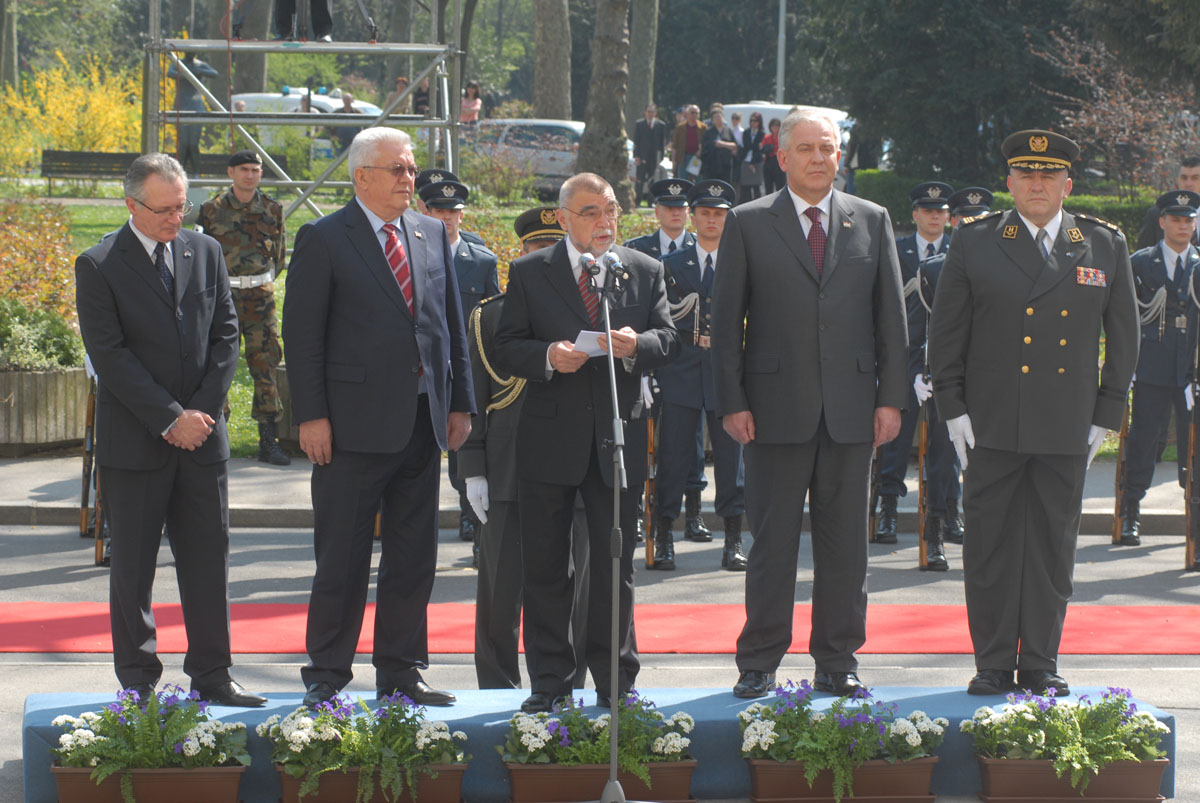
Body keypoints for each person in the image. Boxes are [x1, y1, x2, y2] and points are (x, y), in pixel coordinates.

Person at [928, 129, 1138, 696]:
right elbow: (946, 332)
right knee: (989, 547)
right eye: (1026, 174)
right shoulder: (975, 240)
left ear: (1067, 184)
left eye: (1048, 175)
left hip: (1067, 421)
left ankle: (1041, 660)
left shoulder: (1103, 243)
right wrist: (952, 407)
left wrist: (1107, 412)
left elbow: (1124, 337)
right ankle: (994, 661)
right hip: (990, 421)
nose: (1037, 184)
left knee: (1052, 547)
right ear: (1010, 182)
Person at [711, 109, 908, 700]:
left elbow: (891, 322)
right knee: (771, 544)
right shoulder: (748, 222)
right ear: (781, 156)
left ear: (839, 155)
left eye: (827, 148)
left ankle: (837, 660)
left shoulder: (871, 219)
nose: (818, 158)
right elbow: (726, 323)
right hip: (771, 410)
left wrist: (891, 399)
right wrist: (732, 401)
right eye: (806, 148)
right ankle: (759, 660)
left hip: (853, 410)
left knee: (846, 547)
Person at [282, 127, 475, 709]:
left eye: (411, 168)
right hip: (349, 428)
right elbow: (303, 337)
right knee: (342, 557)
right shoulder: (324, 237)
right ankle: (326, 673)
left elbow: (451, 325)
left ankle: (402, 670)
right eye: (397, 169)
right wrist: (311, 417)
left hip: (421, 420)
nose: (408, 179)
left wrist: (460, 401)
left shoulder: (429, 232)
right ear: (361, 175)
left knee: (413, 557)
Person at [74, 153, 266, 707]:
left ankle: (214, 674)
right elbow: (110, 355)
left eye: (182, 207)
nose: (175, 219)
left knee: (208, 563)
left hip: (202, 439)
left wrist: (198, 415)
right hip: (136, 444)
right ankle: (138, 681)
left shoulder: (205, 251)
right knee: (133, 568)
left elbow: (226, 336)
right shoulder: (99, 263)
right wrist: (168, 418)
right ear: (131, 205)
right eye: (163, 210)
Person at [493, 172, 680, 713]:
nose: (605, 221)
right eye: (591, 212)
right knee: (547, 568)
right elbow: (507, 345)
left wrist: (636, 345)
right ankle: (550, 683)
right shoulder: (530, 271)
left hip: (616, 440)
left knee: (614, 567)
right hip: (549, 440)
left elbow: (669, 338)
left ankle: (615, 681)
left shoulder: (642, 269)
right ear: (564, 218)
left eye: (612, 209)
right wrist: (549, 356)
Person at [460, 207, 591, 689]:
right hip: (509, 469)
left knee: (580, 589)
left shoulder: (590, 312)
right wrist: (472, 468)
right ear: (521, 254)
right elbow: (472, 399)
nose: (545, 258)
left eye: (554, 249)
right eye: (537, 249)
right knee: (501, 587)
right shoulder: (490, 316)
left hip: (578, 468)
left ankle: (570, 687)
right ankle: (496, 686)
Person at [653, 179, 748, 572]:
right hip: (681, 369)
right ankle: (664, 536)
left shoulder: (742, 261)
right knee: (673, 457)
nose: (712, 220)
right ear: (693, 217)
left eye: (719, 214)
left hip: (726, 371)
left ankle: (733, 540)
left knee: (731, 460)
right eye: (705, 213)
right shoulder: (672, 265)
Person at [908, 187, 994, 566]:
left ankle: (982, 533)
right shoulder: (933, 269)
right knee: (942, 459)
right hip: (948, 379)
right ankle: (936, 531)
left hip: (991, 379)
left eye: (981, 219)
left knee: (989, 462)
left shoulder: (1004, 266)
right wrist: (917, 372)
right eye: (966, 219)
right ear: (954, 222)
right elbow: (916, 329)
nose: (972, 225)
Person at [623, 178, 710, 545]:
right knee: (641, 435)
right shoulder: (636, 250)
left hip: (687, 361)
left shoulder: (702, 248)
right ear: (657, 211)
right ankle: (638, 511)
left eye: (681, 208)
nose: (676, 213)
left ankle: (693, 514)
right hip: (649, 355)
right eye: (669, 207)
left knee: (689, 442)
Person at [418, 176, 501, 546]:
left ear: (462, 215)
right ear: (426, 212)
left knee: (465, 439)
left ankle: (470, 514)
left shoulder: (482, 262)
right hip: (425, 364)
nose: (447, 217)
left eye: (453, 211)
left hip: (466, 365)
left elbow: (493, 316)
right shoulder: (414, 253)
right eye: (439, 210)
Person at [196, 150, 290, 467]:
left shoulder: (273, 210)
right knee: (218, 364)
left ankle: (268, 439)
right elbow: (202, 256)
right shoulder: (211, 210)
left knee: (265, 365)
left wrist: (257, 281)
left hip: (261, 300)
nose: (250, 175)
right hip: (223, 300)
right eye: (244, 169)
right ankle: (215, 434)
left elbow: (279, 257)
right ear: (231, 173)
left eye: (255, 170)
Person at [874, 181, 953, 549]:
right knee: (895, 437)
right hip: (904, 355)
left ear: (948, 217)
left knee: (947, 442)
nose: (934, 217)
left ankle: (948, 511)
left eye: (940, 211)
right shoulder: (897, 249)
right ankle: (888, 508)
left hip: (946, 359)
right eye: (927, 211)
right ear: (915, 214)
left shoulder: (960, 251)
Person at [1119, 190, 1200, 546]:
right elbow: (1125, 317)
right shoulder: (1140, 263)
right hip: (1151, 366)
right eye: (1176, 220)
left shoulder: (1199, 264)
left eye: (1189, 220)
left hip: (1191, 369)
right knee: (1143, 440)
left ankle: (1195, 516)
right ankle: (1130, 512)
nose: (1183, 226)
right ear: (1162, 222)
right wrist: (1127, 364)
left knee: (1193, 445)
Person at [1135, 156, 1200, 251]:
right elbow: (1143, 253)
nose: (1188, 183)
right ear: (1178, 180)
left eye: (1195, 178)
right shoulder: (1157, 214)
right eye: (1184, 178)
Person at [633, 103, 667, 206]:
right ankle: (637, 201)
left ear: (655, 113)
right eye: (648, 112)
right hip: (642, 156)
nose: (650, 114)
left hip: (654, 158)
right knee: (640, 180)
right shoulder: (639, 124)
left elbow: (662, 143)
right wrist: (636, 156)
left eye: (652, 112)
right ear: (645, 112)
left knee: (653, 180)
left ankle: (651, 201)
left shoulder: (661, 125)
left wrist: (661, 157)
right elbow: (636, 141)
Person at [700, 105, 738, 183]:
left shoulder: (728, 130)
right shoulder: (708, 132)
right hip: (712, 165)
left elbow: (734, 145)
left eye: (719, 117)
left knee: (725, 184)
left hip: (726, 164)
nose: (718, 119)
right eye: (716, 117)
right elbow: (705, 148)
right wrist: (715, 145)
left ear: (723, 118)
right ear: (712, 120)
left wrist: (723, 144)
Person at [738, 112, 766, 205]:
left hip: (756, 162)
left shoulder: (762, 134)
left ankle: (757, 207)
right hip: (745, 160)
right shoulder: (746, 132)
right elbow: (747, 146)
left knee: (756, 187)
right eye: (751, 120)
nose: (753, 122)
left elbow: (759, 150)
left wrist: (753, 163)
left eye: (755, 121)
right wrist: (754, 145)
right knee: (746, 187)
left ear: (759, 122)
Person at [671, 105, 705, 179]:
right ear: (687, 114)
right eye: (692, 112)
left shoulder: (703, 127)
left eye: (696, 113)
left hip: (697, 158)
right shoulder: (680, 127)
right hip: (683, 157)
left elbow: (706, 143)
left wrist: (700, 150)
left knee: (699, 180)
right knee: (682, 181)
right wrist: (674, 162)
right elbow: (674, 145)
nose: (694, 115)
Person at [762, 118, 785, 196]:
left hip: (779, 164)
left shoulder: (782, 138)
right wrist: (772, 149)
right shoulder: (767, 137)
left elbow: (781, 149)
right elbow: (763, 149)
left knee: (780, 186)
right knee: (768, 188)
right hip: (768, 163)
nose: (775, 128)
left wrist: (771, 148)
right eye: (773, 126)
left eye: (777, 126)